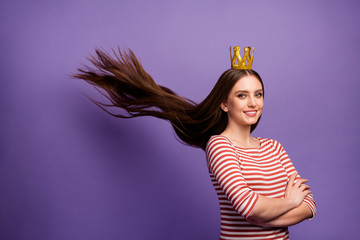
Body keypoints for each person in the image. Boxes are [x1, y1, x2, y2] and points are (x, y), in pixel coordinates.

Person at [74, 46, 316, 239]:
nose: (253, 103)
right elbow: (249, 208)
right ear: (224, 103)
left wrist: (268, 216)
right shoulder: (219, 146)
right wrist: (289, 202)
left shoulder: (274, 147)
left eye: (258, 94)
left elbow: (309, 204)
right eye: (242, 95)